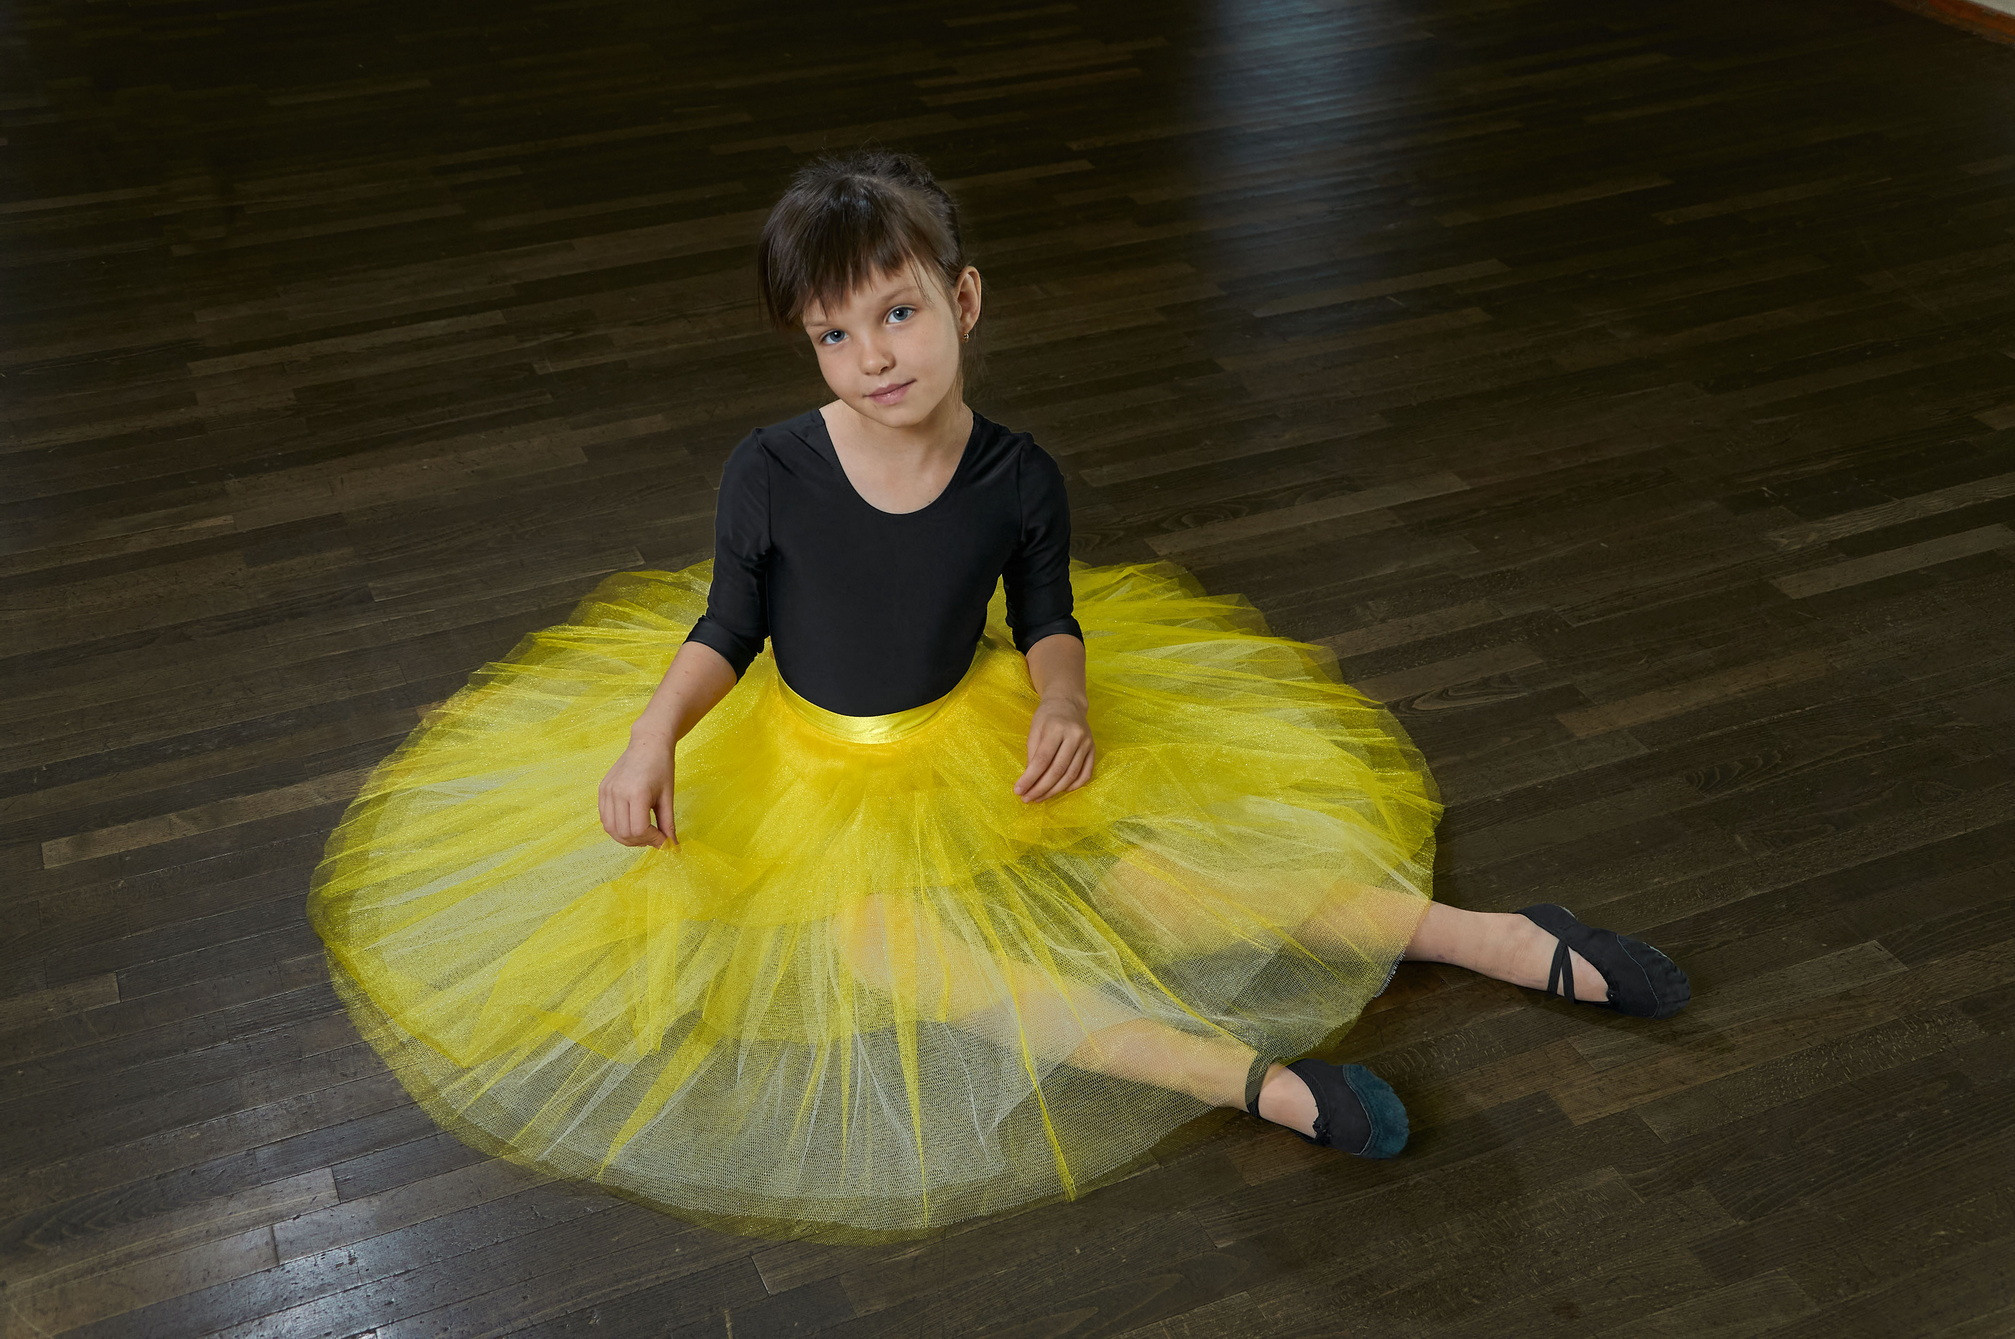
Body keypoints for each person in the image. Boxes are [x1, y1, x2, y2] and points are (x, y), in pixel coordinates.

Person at [307, 150, 1690, 1245]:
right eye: (835, 334)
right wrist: (652, 736)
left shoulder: (1017, 476)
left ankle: (1489, 935)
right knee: (951, 973)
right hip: (806, 771)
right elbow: (729, 624)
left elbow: (1046, 617)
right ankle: (1247, 1081)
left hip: (973, 736)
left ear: (964, 301)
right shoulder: (771, 471)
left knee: (1171, 888)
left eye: (899, 313)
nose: (874, 357)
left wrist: (1063, 704)